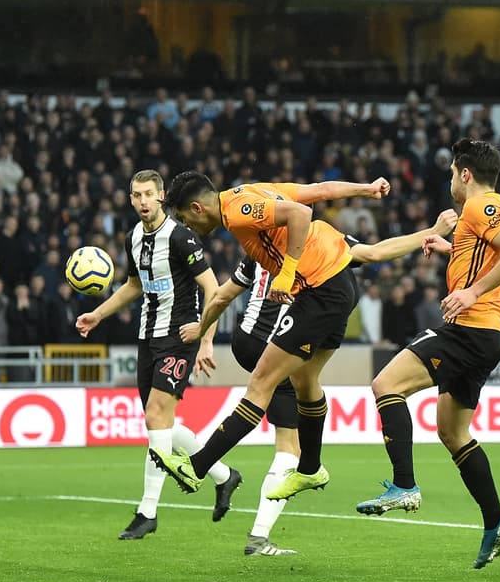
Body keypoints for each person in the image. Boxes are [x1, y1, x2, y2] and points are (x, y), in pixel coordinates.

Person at [205, 222, 459, 556]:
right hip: (277, 344)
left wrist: (205, 338)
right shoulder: (324, 243)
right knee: (288, 444)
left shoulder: (258, 249)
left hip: (245, 340)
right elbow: (376, 252)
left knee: (299, 391)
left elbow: (224, 293)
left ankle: (216, 470)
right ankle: (257, 533)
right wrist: (432, 230)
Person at [150, 172, 390, 505]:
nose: (186, 226)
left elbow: (301, 213)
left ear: (197, 207)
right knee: (305, 382)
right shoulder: (253, 192)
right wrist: (365, 189)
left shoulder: (237, 208)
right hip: (335, 285)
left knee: (262, 381)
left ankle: (198, 466)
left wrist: (288, 271)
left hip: (322, 290)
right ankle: (310, 469)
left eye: (184, 218)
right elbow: (318, 190)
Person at [357, 138, 500, 569]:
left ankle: (404, 486)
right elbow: (484, 255)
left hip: (470, 330)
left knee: (386, 384)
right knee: (452, 433)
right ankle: (496, 522)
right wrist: (448, 249)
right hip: (486, 335)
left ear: (465, 174)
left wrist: (471, 292)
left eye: (453, 172)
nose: (451, 179)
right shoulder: (477, 216)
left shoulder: (481, 206)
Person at [75, 170, 241, 540]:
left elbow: (214, 288)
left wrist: (207, 338)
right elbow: (134, 284)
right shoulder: (132, 237)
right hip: (147, 336)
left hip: (180, 336)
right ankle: (225, 475)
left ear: (162, 195)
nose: (143, 201)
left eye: (149, 194)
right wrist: (98, 315)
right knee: (160, 425)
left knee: (155, 416)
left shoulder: (182, 237)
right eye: (136, 195)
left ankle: (147, 511)